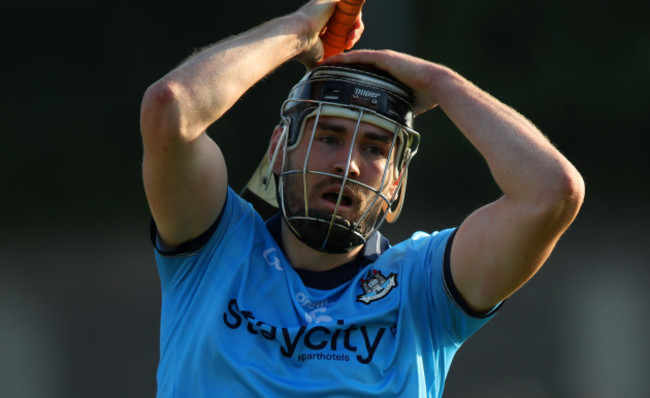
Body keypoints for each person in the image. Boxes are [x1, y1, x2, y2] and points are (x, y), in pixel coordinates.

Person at [139, 0, 585, 396]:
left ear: (396, 183)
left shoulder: (422, 287)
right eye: (329, 136)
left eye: (374, 148)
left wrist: (442, 83)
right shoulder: (215, 249)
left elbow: (551, 192)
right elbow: (170, 106)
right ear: (278, 150)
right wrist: (297, 31)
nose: (349, 164)